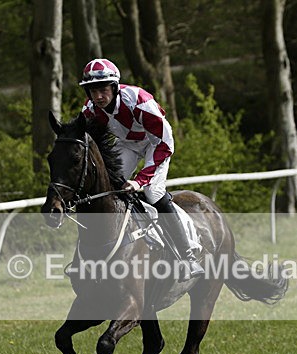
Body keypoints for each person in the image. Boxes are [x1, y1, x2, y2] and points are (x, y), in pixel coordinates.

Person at [78, 58, 204, 278]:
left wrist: (140, 179)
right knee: (110, 190)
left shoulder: (138, 101)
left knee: (152, 191)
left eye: (103, 89)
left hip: (156, 144)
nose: (98, 96)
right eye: (92, 91)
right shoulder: (89, 110)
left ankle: (187, 256)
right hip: (126, 145)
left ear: (115, 87)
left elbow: (164, 142)